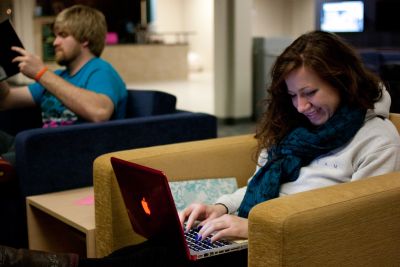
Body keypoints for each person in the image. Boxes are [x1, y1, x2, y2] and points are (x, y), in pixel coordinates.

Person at [2, 30, 400, 266]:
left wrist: (257, 229)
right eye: (293, 95)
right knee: (165, 244)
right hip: (251, 228)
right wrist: (223, 207)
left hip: (286, 242)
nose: (301, 107)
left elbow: (358, 222)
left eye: (310, 92)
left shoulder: (376, 138)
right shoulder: (295, 129)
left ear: (341, 79)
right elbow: (262, 183)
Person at [0, 5, 128, 182]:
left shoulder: (101, 70)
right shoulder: (58, 77)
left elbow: (99, 112)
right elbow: (6, 100)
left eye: (63, 35)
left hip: (70, 154)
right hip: (36, 147)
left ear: (84, 40)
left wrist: (40, 73)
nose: (54, 42)